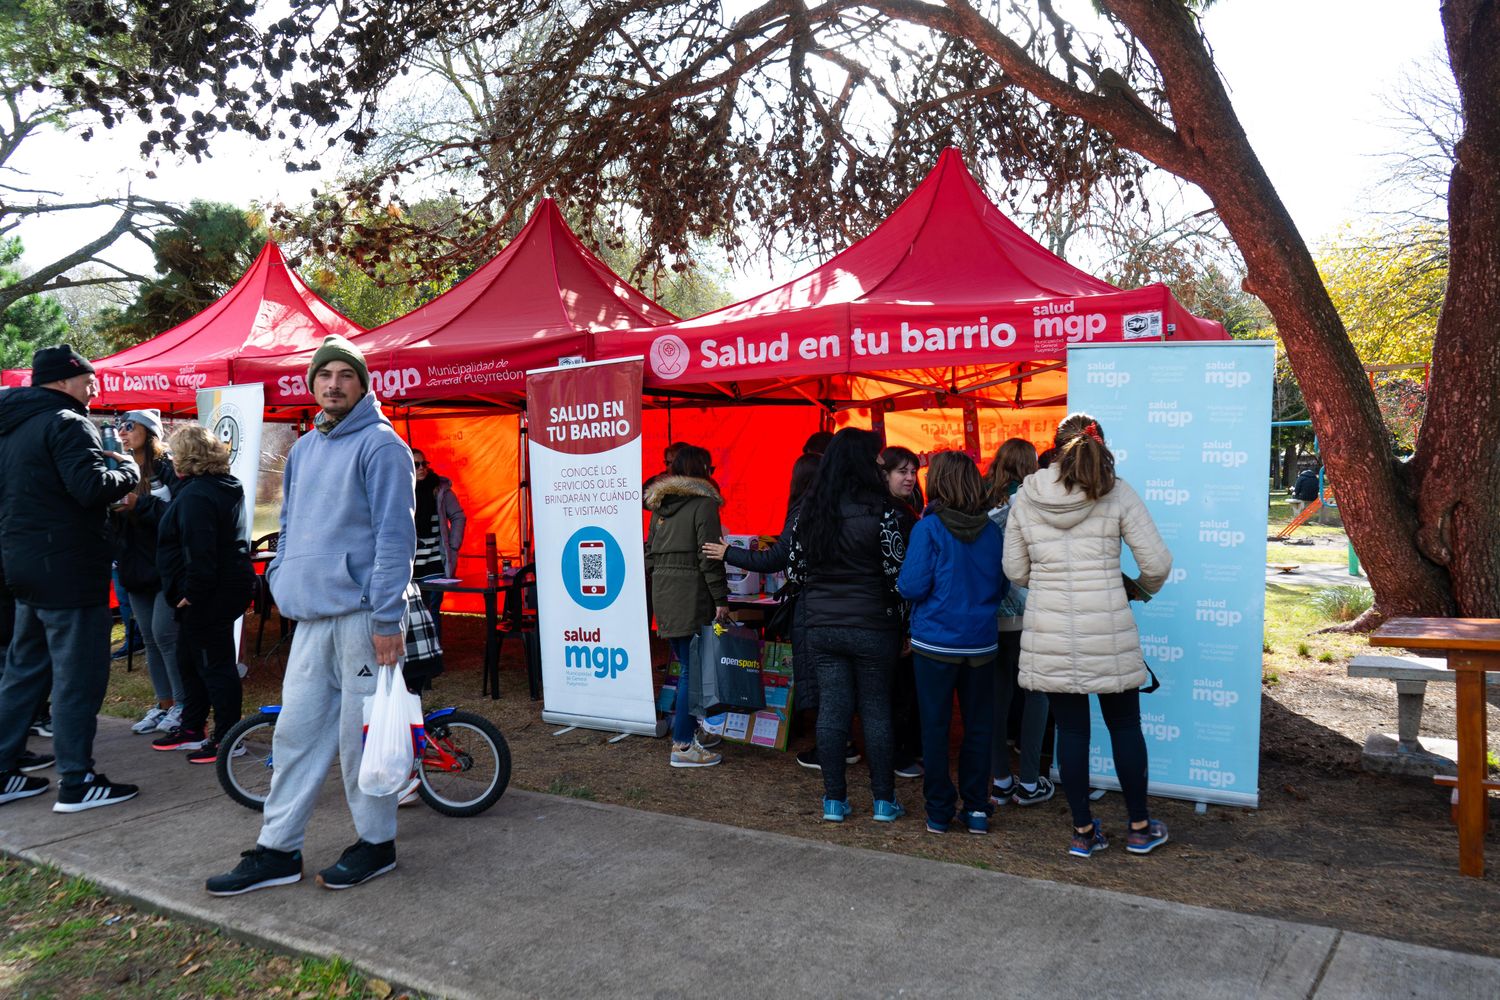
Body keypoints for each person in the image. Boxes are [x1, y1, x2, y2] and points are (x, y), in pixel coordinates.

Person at [205, 334, 416, 895]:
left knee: (358, 739)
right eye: (324, 375)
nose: (333, 384)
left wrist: (388, 620)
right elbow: (291, 523)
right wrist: (281, 577)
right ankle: (278, 850)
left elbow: (397, 538)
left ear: (362, 384)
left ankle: (376, 843)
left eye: (346, 375)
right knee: (295, 734)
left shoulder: (382, 445)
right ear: (312, 384)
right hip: (312, 617)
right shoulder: (303, 449)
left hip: (362, 614)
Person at [1003, 413, 1173, 858]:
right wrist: (1135, 590)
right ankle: (1139, 827)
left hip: (1051, 632)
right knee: (1124, 726)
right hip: (1108, 630)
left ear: (1055, 447)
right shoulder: (1115, 491)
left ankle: (1083, 832)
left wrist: (1048, 581)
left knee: (1073, 734)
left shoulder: (1028, 495)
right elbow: (1156, 564)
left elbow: (1015, 570)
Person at [0, 344, 140, 812]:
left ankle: (4, 772)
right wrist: (126, 468)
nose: (93, 387)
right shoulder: (68, 421)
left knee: (23, 672)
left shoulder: (11, 426)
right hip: (68, 570)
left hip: (24, 566)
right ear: (63, 380)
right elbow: (91, 488)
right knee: (78, 677)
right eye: (87, 379)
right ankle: (77, 781)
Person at [787, 428, 907, 823]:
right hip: (874, 625)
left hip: (822, 626)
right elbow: (897, 575)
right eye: (875, 458)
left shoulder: (810, 509)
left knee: (832, 711)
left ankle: (834, 801)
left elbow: (794, 570)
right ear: (862, 461)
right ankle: (883, 801)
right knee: (876, 710)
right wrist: (903, 624)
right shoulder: (886, 510)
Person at [702, 453, 834, 769]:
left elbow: (775, 559)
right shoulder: (833, 511)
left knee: (816, 678)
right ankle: (841, 743)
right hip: (834, 605)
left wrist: (727, 553)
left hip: (813, 607)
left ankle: (830, 746)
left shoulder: (803, 512)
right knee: (832, 679)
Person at [898, 451, 1006, 834]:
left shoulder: (928, 529)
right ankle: (976, 808)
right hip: (980, 643)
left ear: (938, 482)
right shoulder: (993, 532)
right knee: (979, 727)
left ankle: (940, 812)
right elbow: (1003, 583)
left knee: (936, 728)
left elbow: (910, 585)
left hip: (936, 643)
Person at [153, 424, 257, 764]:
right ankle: (193, 726)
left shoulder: (200, 494)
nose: (170, 457)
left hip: (209, 591)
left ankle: (229, 737)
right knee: (190, 658)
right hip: (215, 587)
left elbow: (201, 550)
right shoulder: (210, 487)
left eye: (174, 452)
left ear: (188, 456)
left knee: (215, 664)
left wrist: (189, 594)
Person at [645, 443, 729, 768]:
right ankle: (682, 744)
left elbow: (650, 553)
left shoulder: (660, 506)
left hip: (665, 594)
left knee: (686, 666)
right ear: (702, 470)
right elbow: (710, 556)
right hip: (692, 594)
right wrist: (721, 598)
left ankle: (690, 731)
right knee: (692, 673)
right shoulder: (704, 503)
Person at [984, 438, 1054, 807]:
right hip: (1033, 614)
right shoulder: (1037, 504)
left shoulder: (981, 504)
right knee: (1036, 695)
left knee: (996, 699)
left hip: (993, 617)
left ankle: (1000, 778)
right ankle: (1029, 780)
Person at [112, 409, 186, 736]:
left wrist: (138, 504)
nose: (123, 432)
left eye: (129, 426)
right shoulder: (121, 468)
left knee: (165, 635)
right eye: (119, 427)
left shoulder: (168, 467)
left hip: (166, 568)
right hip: (134, 568)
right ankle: (165, 704)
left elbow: (181, 513)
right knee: (151, 641)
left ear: (148, 430)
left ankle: (184, 705)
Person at [878, 445, 923, 778]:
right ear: (885, 474)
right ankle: (898, 755)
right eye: (902, 471)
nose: (910, 478)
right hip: (892, 617)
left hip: (886, 617)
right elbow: (900, 575)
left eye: (913, 471)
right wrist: (905, 628)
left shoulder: (899, 509)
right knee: (898, 691)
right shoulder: (896, 514)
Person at [410, 448, 466, 633]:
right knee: (410, 611)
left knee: (432, 609)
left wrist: (453, 545)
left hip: (435, 564)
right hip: (408, 565)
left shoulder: (440, 490)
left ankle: (435, 654)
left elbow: (458, 516)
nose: (421, 468)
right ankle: (416, 657)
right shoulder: (400, 491)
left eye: (424, 463)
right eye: (416, 464)